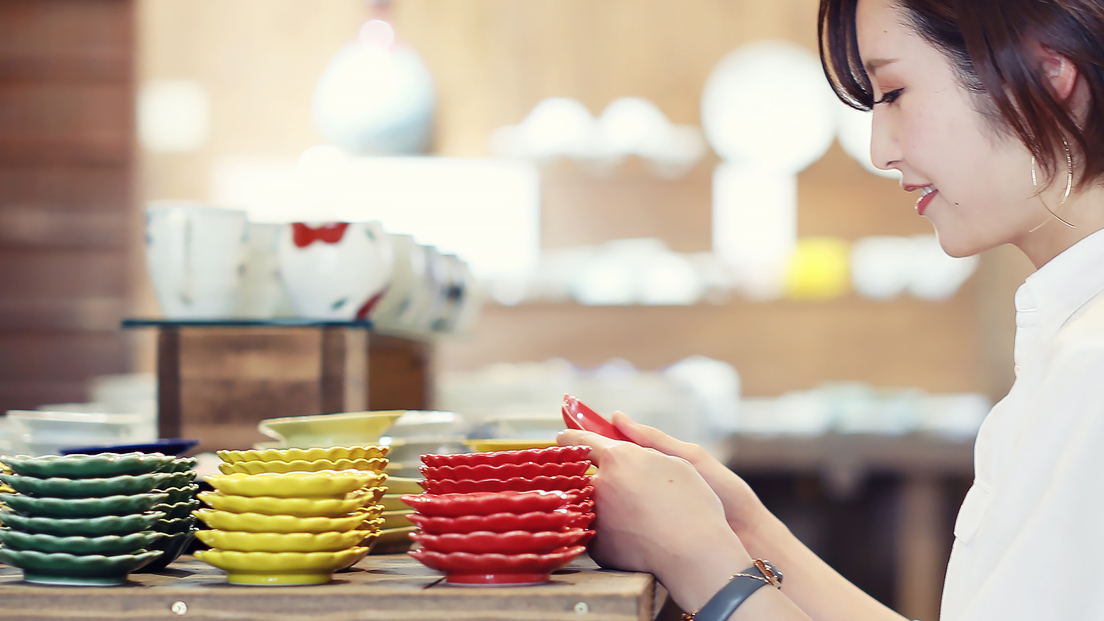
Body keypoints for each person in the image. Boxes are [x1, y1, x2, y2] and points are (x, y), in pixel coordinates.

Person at [557, 0, 1104, 619]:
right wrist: (746, 529)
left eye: (894, 91)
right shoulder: (1071, 339)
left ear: (1048, 76)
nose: (879, 149)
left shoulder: (1092, 366)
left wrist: (692, 554)